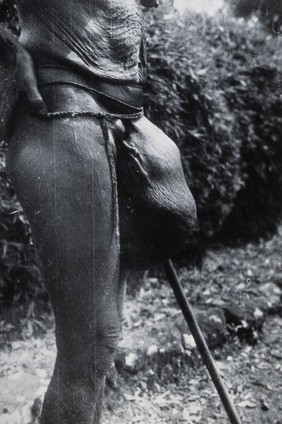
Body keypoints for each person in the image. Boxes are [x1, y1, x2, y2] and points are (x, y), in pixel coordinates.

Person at [0, 1, 196, 422]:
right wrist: (9, 52)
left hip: (124, 116)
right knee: (91, 346)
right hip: (61, 110)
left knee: (100, 348)